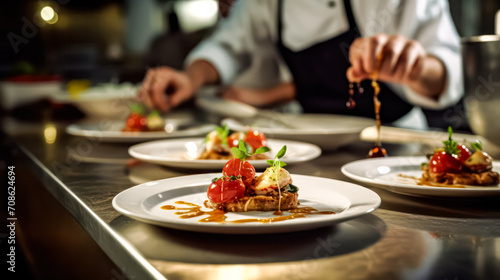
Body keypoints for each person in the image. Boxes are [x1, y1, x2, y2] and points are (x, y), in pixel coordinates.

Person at [139, 0, 462, 128]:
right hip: (311, 145)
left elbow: (448, 72)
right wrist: (190, 79)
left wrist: (417, 68)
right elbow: (228, 44)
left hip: (392, 143)